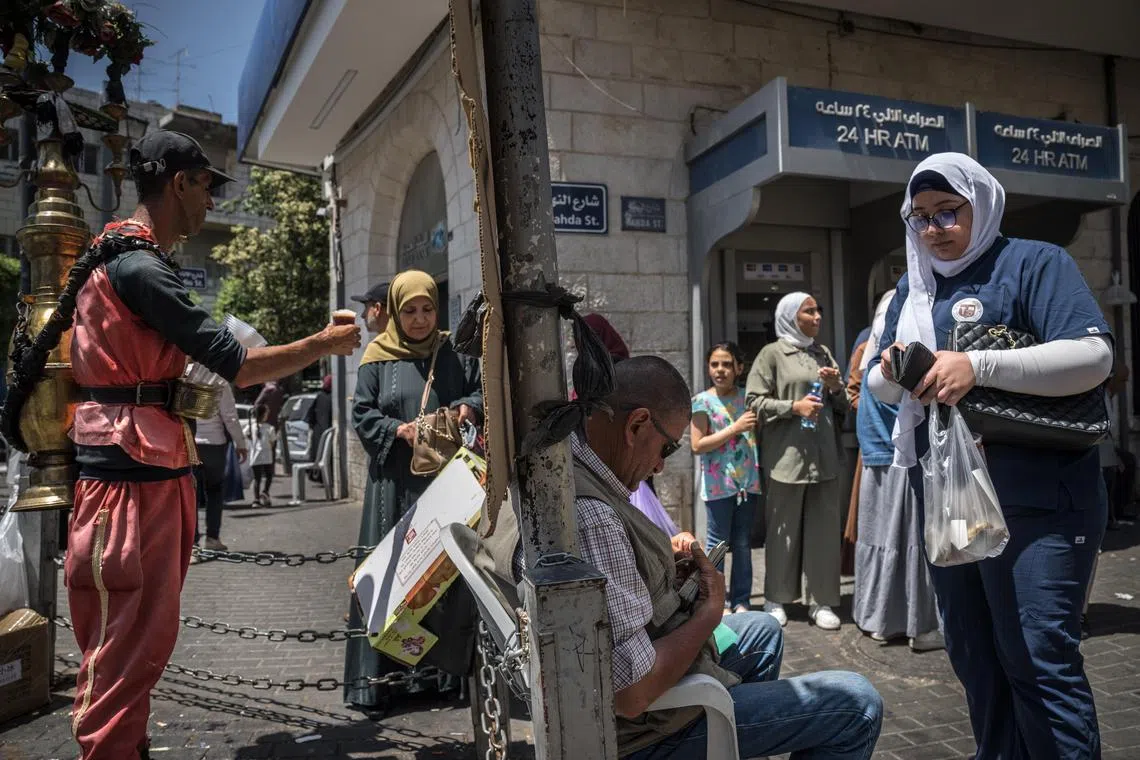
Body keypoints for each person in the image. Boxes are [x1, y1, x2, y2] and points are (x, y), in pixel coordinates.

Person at [65, 129, 360, 760]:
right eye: (206, 186)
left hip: (129, 472)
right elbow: (240, 365)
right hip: (132, 482)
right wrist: (321, 345)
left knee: (125, 644)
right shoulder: (142, 269)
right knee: (127, 648)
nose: (211, 203)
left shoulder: (122, 259)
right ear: (179, 183)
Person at [482, 356, 882, 758]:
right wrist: (710, 611)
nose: (659, 464)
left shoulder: (551, 465)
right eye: (667, 447)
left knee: (764, 630)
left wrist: (661, 572)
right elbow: (633, 693)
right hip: (640, 734)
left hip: (604, 691)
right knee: (857, 703)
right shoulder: (593, 516)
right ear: (636, 425)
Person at [868, 153, 1111, 759]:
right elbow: (878, 383)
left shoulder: (1034, 262)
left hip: (1036, 500)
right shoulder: (913, 287)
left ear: (983, 203)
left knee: (1036, 658)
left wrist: (976, 366)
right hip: (948, 501)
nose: (933, 229)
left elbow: (1093, 358)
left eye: (948, 211)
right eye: (920, 217)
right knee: (975, 657)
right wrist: (896, 367)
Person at [346, 269, 482, 716]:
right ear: (395, 312)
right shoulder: (376, 356)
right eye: (409, 311)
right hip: (393, 486)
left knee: (437, 579)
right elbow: (362, 414)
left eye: (427, 309)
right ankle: (380, 684)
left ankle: (438, 677)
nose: (420, 319)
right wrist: (396, 430)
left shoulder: (455, 353)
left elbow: (481, 391)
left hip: (442, 486)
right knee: (388, 581)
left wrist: (468, 407)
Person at [745, 292, 848, 630]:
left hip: (824, 457)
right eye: (809, 311)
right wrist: (794, 408)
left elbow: (842, 404)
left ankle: (821, 601)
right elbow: (754, 401)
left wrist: (835, 387)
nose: (817, 316)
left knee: (823, 533)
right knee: (782, 532)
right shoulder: (772, 354)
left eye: (818, 310)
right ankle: (776, 596)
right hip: (786, 457)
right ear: (791, 316)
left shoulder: (823, 352)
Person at [850, 290, 942, 652]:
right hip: (900, 451)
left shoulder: (867, 343)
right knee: (908, 538)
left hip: (875, 448)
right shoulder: (901, 345)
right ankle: (916, 625)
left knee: (882, 537)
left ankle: (877, 620)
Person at [690, 340, 759, 613]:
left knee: (743, 544)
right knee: (717, 545)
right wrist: (736, 427)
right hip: (718, 486)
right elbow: (697, 445)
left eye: (727, 364)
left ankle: (741, 599)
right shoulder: (702, 402)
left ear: (739, 368)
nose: (720, 370)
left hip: (748, 484)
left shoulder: (748, 398)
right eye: (714, 364)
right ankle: (715, 601)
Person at [193, 381, 246, 550]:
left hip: (190, 443)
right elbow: (230, 417)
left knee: (190, 494)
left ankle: (192, 544)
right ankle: (212, 539)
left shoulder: (184, 374)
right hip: (215, 445)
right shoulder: (220, 382)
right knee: (215, 490)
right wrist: (240, 443)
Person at [246, 403, 278, 507]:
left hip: (255, 456)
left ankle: (256, 500)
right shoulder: (270, 428)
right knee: (269, 475)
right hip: (267, 456)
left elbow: (246, 435)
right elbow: (272, 442)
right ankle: (265, 492)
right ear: (264, 415)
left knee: (257, 479)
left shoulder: (251, 427)